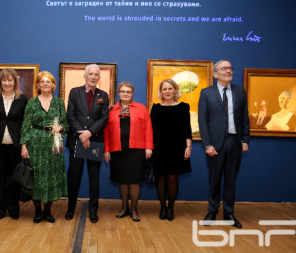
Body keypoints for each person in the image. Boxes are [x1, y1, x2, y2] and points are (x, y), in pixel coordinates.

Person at [198, 60, 249, 228]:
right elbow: (203, 121)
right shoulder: (206, 93)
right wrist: (207, 144)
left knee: (231, 179)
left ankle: (228, 213)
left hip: (234, 141)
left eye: (230, 68)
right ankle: (212, 211)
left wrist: (245, 139)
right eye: (224, 68)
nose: (228, 71)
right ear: (215, 74)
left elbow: (244, 118)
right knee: (214, 179)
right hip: (215, 143)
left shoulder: (240, 91)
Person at [20, 71, 68, 223]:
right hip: (35, 145)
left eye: (49, 82)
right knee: (37, 177)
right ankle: (38, 211)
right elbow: (25, 125)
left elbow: (65, 123)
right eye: (43, 81)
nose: (46, 84)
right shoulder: (32, 103)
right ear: (38, 85)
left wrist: (60, 128)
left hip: (54, 145)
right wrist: (23, 146)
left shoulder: (59, 102)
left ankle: (48, 211)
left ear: (53, 85)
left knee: (51, 177)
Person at [65, 64, 109, 223]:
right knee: (73, 177)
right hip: (76, 141)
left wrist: (89, 133)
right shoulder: (74, 92)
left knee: (94, 178)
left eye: (96, 74)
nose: (93, 77)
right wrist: (82, 135)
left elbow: (104, 118)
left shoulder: (103, 95)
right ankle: (70, 209)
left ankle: (93, 211)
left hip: (95, 141)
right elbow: (70, 115)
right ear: (85, 76)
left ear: (98, 77)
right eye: (90, 74)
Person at [103, 82, 153, 222]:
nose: (126, 94)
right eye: (123, 91)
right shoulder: (111, 109)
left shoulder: (141, 108)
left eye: (129, 91)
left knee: (135, 181)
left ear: (132, 93)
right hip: (118, 150)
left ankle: (134, 209)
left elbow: (148, 129)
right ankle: (124, 207)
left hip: (137, 150)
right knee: (123, 181)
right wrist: (106, 150)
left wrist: (149, 147)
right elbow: (106, 132)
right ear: (118, 93)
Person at [0, 68, 28, 220]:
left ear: (15, 81)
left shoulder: (22, 99)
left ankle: (14, 209)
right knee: (0, 177)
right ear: (0, 81)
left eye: (10, 80)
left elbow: (25, 124)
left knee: (14, 179)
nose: (7, 83)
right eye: (4, 80)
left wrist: (24, 145)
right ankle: (0, 210)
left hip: (15, 145)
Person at [150, 79, 192, 221]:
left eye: (170, 88)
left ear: (175, 90)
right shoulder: (155, 108)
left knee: (173, 178)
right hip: (159, 148)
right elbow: (150, 130)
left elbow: (187, 128)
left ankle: (171, 207)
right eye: (164, 89)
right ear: (161, 92)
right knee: (160, 178)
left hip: (177, 147)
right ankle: (162, 207)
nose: (167, 91)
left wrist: (188, 147)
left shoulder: (183, 107)